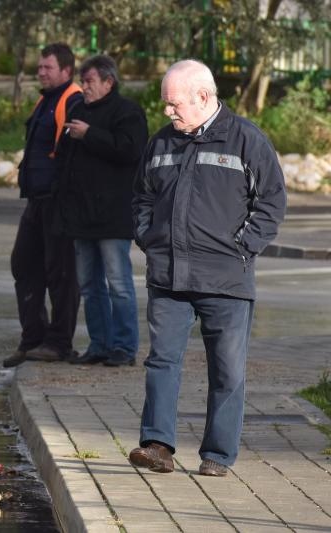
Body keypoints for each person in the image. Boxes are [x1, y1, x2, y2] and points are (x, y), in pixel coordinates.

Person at [129, 59, 286, 477]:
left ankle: (217, 455)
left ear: (203, 97)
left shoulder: (246, 140)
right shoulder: (161, 143)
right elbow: (141, 197)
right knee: (162, 362)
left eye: (173, 103)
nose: (167, 111)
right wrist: (149, 238)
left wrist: (243, 248)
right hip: (168, 277)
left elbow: (272, 201)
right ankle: (157, 446)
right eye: (165, 104)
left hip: (226, 280)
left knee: (228, 370)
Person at [54, 55, 148, 367]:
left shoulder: (128, 112)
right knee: (90, 286)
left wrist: (90, 134)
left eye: (91, 81)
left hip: (112, 216)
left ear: (109, 82)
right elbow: (67, 162)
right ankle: (99, 344)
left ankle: (124, 347)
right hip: (82, 217)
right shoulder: (78, 109)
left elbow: (131, 150)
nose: (85, 87)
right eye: (84, 81)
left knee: (118, 285)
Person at [2, 43, 83, 368]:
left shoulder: (72, 100)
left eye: (47, 68)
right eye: (40, 68)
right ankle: (33, 338)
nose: (41, 72)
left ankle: (59, 343)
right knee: (23, 265)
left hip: (59, 203)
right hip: (37, 201)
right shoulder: (45, 100)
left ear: (66, 70)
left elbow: (71, 155)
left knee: (61, 273)